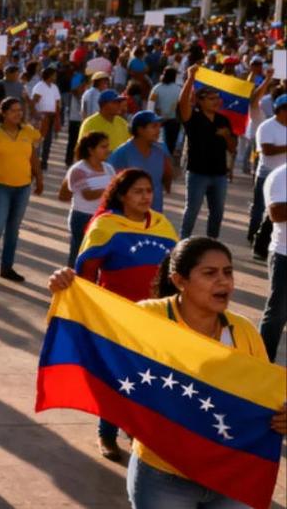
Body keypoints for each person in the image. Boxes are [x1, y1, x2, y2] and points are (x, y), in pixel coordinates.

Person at [47, 238, 287, 507]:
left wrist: (282, 414)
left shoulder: (244, 331)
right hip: (163, 478)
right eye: (210, 273)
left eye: (228, 272)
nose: (224, 282)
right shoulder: (148, 317)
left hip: (232, 476)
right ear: (179, 280)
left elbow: (266, 396)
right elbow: (89, 335)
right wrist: (65, 291)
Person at [71, 168, 179, 460]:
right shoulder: (105, 226)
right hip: (115, 316)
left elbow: (176, 270)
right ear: (121, 195)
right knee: (117, 377)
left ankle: (136, 432)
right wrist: (88, 311)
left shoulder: (163, 225)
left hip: (155, 318)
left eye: (149, 191)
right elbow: (86, 272)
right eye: (137, 191)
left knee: (146, 378)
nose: (145, 197)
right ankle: (106, 433)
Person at [0, 97, 43, 283]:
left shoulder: (28, 131)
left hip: (23, 187)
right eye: (13, 110)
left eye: (20, 110)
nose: (18, 113)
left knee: (13, 230)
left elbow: (33, 156)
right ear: (3, 112)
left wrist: (39, 177)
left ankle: (7, 268)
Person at [177, 66, 235, 239]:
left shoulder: (223, 120)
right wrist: (190, 78)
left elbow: (232, 148)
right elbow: (182, 103)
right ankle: (183, 241)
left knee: (217, 212)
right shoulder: (192, 117)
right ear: (199, 101)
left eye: (218, 98)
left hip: (219, 174)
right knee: (192, 210)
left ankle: (212, 242)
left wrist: (226, 136)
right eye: (211, 98)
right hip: (197, 173)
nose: (216, 101)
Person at [59, 132, 114, 268]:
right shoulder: (78, 170)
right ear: (91, 150)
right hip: (82, 217)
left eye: (107, 146)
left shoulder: (108, 168)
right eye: (103, 147)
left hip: (103, 217)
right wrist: (110, 190)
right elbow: (88, 195)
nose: (107, 150)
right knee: (78, 254)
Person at [108, 111, 174, 218]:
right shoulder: (121, 153)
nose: (158, 130)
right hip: (128, 213)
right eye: (154, 126)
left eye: (159, 126)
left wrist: (167, 186)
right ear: (140, 130)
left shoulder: (162, 149)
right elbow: (112, 184)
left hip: (155, 210)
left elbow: (167, 173)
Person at [250, 94, 287, 260]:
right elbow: (267, 150)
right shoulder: (266, 127)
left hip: (284, 178)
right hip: (267, 175)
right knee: (261, 211)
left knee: (275, 216)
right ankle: (256, 242)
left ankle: (263, 245)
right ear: (280, 110)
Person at [261, 162, 287, 361]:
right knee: (277, 315)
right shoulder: (279, 176)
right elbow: (276, 214)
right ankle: (263, 364)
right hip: (284, 256)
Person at [30, 66, 62, 170]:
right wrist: (35, 114)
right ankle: (35, 161)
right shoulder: (39, 86)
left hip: (51, 116)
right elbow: (34, 101)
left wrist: (58, 116)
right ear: (49, 75)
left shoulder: (54, 87)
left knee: (48, 140)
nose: (55, 76)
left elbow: (57, 102)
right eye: (54, 74)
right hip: (41, 117)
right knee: (38, 140)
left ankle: (44, 162)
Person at [148, 67, 182, 154]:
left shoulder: (156, 88)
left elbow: (150, 106)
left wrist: (152, 119)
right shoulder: (179, 89)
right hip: (174, 121)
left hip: (158, 121)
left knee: (158, 145)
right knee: (171, 146)